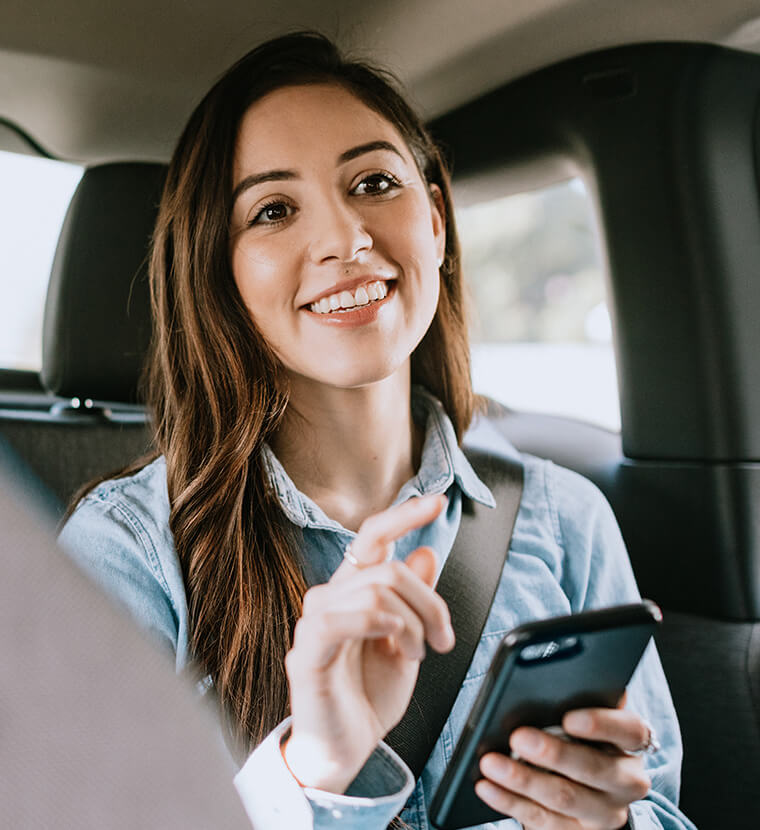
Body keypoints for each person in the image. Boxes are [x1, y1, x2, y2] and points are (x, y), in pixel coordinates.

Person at [59, 32, 695, 830]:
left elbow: (661, 805)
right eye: (275, 210)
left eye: (372, 182)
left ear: (434, 221)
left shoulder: (567, 521)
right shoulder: (128, 553)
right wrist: (313, 770)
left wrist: (612, 823)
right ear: (220, 273)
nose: (345, 240)